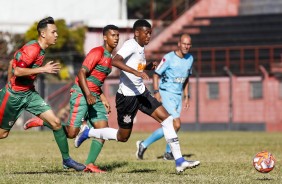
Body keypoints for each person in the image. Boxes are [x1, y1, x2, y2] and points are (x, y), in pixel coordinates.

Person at [74, 19, 200, 173]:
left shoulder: (140, 47)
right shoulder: (130, 45)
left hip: (141, 93)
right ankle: (88, 132)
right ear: (137, 33)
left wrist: (146, 66)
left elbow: (135, 65)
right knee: (123, 136)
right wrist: (136, 72)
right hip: (127, 98)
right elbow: (116, 61)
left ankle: (179, 161)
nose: (149, 36)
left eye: (150, 33)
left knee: (167, 120)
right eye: (146, 33)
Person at [24, 24, 120, 173]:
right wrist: (88, 94)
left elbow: (95, 80)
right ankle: (43, 121)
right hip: (81, 94)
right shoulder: (97, 52)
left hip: (94, 96)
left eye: (117, 35)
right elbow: (82, 73)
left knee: (103, 130)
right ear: (105, 37)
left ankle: (90, 164)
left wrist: (103, 98)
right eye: (113, 35)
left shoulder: (110, 58)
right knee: (71, 134)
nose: (116, 38)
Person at [0, 17, 85, 171]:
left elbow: (13, 64)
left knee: (56, 123)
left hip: (29, 94)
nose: (56, 35)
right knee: (2, 134)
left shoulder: (41, 49)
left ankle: (67, 160)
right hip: (14, 97)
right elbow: (17, 70)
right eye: (53, 32)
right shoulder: (33, 48)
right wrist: (42, 69)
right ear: (43, 34)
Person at [136, 33, 193, 161]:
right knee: (176, 124)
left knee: (170, 125)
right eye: (184, 43)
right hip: (166, 93)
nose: (186, 46)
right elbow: (156, 74)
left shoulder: (190, 59)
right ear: (179, 44)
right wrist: (156, 92)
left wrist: (186, 96)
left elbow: (187, 78)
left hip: (177, 95)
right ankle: (165, 151)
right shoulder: (169, 58)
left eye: (188, 44)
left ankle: (147, 145)